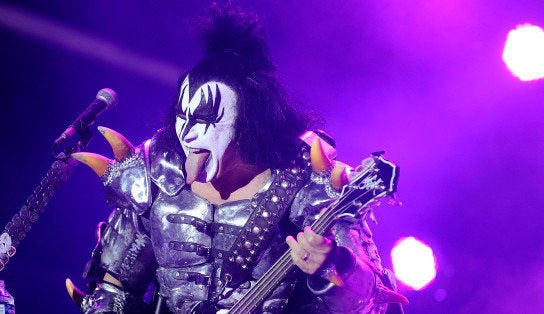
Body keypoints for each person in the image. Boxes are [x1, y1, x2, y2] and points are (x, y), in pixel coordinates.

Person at [67, 3, 406, 313]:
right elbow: (112, 287)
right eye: (183, 116)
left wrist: (334, 263)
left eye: (206, 119)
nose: (187, 134)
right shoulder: (155, 173)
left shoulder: (307, 179)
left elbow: (369, 301)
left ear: (248, 121)